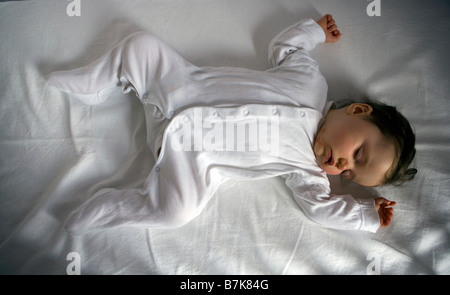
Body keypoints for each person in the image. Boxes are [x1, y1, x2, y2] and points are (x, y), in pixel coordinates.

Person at [47, 14, 416, 234]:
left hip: (190, 159)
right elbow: (286, 48)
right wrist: (315, 31)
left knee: (177, 212)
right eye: (358, 153)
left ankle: (111, 208)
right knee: (141, 46)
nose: (342, 166)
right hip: (177, 87)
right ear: (358, 111)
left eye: (349, 175)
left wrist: (364, 215)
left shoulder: (309, 172)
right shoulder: (311, 82)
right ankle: (96, 83)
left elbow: (320, 209)